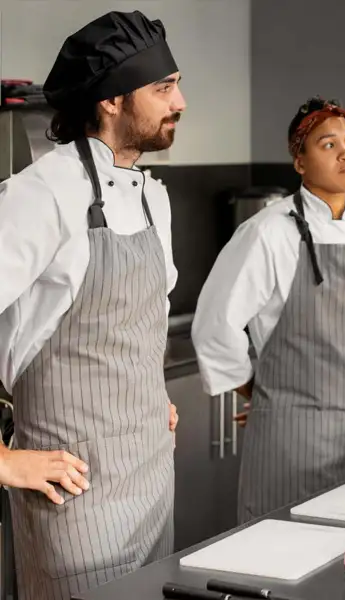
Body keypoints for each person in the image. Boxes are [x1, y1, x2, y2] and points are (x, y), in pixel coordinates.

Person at [0, 10, 185, 600]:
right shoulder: (40, 195)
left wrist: (147, 394)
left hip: (152, 485)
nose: (180, 102)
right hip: (74, 504)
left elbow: (138, 325)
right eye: (163, 88)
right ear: (111, 100)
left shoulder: (153, 199)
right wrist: (3, 460)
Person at [192, 96, 345, 523]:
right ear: (299, 162)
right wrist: (264, 393)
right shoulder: (267, 232)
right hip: (293, 442)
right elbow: (214, 327)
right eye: (328, 144)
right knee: (284, 547)